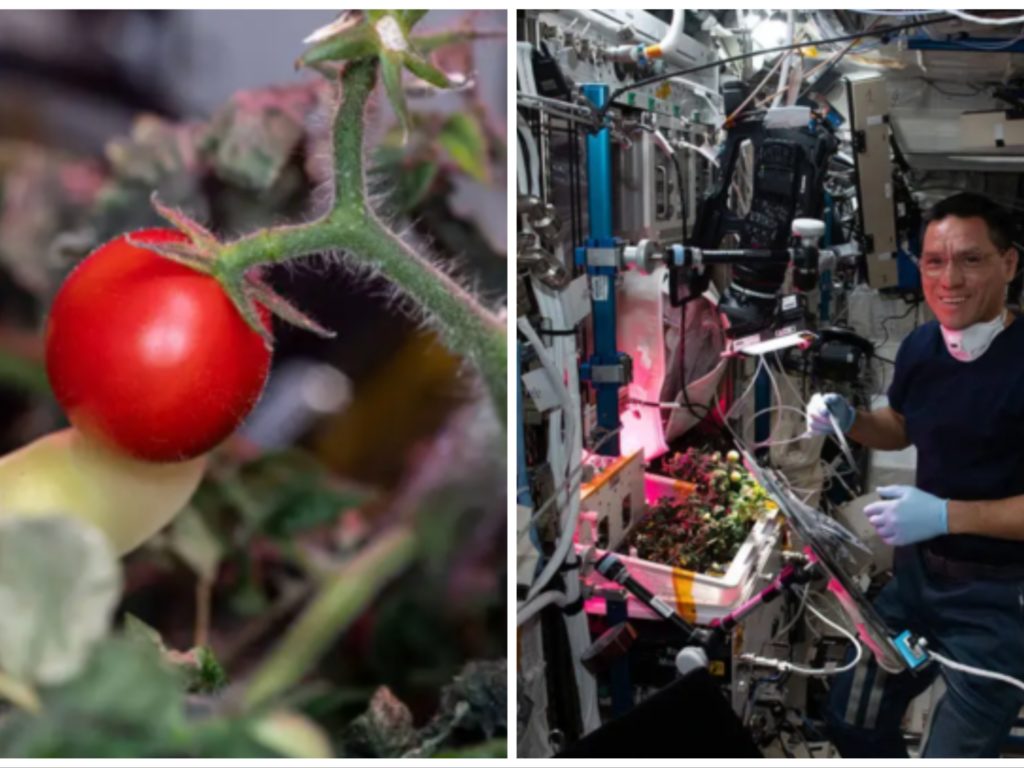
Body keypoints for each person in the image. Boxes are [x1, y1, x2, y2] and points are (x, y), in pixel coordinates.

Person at [806, 192, 1024, 757]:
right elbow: (901, 425)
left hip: (998, 607)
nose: (948, 279)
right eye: (933, 261)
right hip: (915, 590)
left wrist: (944, 515)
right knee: (852, 717)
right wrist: (850, 421)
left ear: (1010, 264)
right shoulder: (925, 345)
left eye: (971, 259)